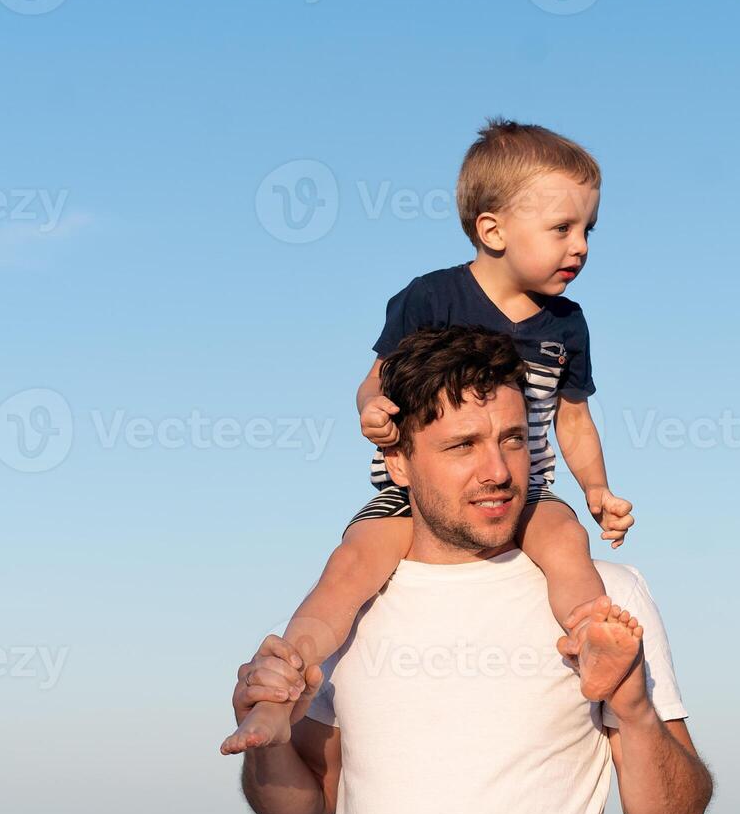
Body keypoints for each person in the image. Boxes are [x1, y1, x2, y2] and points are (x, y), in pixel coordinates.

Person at [231, 325, 713, 814]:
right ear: (398, 461)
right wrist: (265, 746)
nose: (498, 471)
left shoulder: (603, 600)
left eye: (512, 440)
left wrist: (635, 709)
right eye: (463, 446)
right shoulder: (352, 609)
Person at [222, 118, 635, 755]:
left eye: (588, 230)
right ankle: (281, 681)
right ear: (492, 230)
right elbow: (377, 376)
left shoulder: (567, 323)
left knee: (566, 540)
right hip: (413, 498)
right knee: (351, 567)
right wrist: (372, 409)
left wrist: (599, 489)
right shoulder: (432, 298)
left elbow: (572, 417)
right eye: (562, 229)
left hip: (525, 497)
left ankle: (591, 642)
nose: (580, 247)